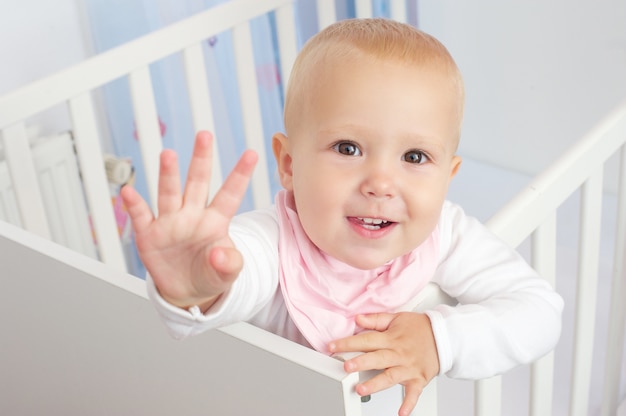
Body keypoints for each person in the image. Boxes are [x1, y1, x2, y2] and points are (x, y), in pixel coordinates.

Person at [121, 18, 563, 416]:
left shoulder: (445, 233)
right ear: (290, 164)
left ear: (448, 177)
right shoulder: (273, 241)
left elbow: (539, 311)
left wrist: (439, 339)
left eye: (414, 155)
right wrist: (200, 287)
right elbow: (239, 264)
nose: (380, 182)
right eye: (348, 148)